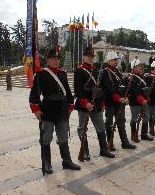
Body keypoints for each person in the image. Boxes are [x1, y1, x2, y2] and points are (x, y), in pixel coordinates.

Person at [29, 47, 80, 175]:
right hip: (48, 111)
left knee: (63, 137)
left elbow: (68, 93)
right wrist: (35, 109)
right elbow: (34, 95)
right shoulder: (41, 74)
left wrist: (70, 106)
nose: (56, 61)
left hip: (62, 110)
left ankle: (66, 161)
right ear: (48, 60)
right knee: (46, 138)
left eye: (57, 59)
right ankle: (47, 163)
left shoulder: (62, 74)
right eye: (53, 59)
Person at [74, 46, 115, 159]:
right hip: (84, 105)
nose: (90, 58)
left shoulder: (96, 71)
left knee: (101, 127)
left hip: (96, 104)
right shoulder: (79, 70)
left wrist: (101, 103)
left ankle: (103, 149)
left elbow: (101, 89)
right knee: (82, 128)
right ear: (84, 57)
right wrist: (85, 103)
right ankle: (85, 151)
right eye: (88, 56)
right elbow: (78, 90)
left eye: (92, 56)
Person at [101, 50, 136, 150]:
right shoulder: (105, 72)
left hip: (120, 102)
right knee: (109, 123)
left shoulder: (118, 71)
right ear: (108, 60)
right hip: (111, 102)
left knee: (121, 122)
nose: (116, 61)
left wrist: (126, 97)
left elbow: (122, 86)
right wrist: (118, 98)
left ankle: (124, 142)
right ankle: (109, 142)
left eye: (116, 59)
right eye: (113, 60)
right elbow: (108, 89)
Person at [125, 58, 153, 142]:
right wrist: (141, 98)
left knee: (146, 117)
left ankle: (144, 134)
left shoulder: (142, 76)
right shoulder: (130, 78)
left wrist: (147, 95)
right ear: (133, 68)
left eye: (140, 66)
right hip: (135, 102)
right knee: (134, 118)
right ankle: (134, 135)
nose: (140, 67)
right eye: (138, 66)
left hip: (144, 100)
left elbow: (145, 87)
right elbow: (133, 91)